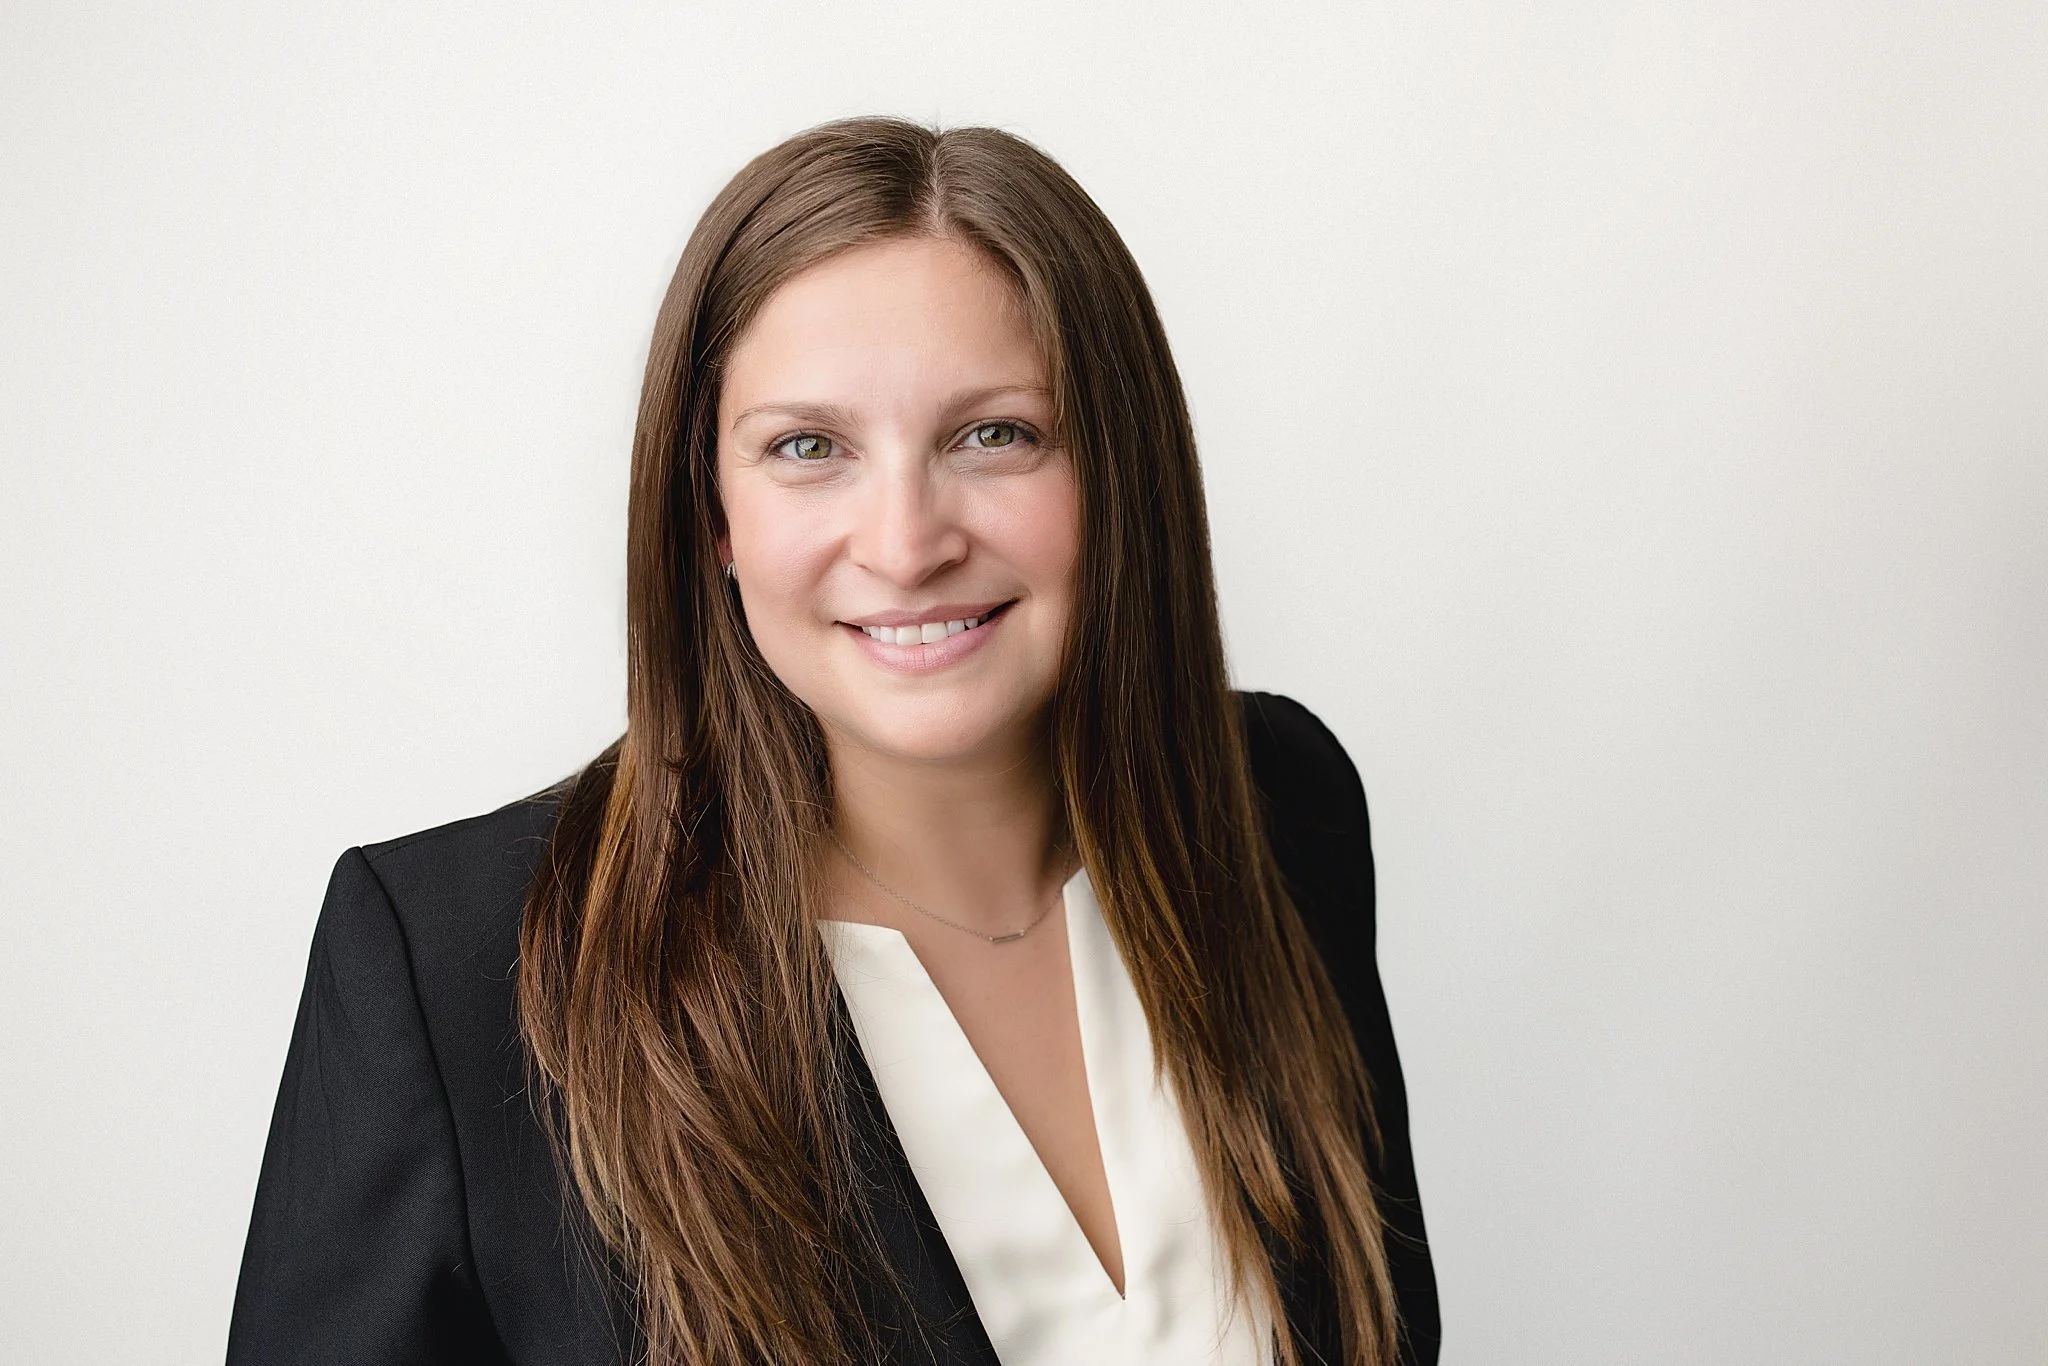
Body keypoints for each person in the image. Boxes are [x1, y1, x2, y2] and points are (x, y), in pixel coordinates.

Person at [227, 116, 1440, 1366]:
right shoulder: (452, 965)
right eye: (808, 448)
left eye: (994, 434)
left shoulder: (1277, 810)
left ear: (1116, 471)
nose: (906, 542)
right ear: (712, 512)